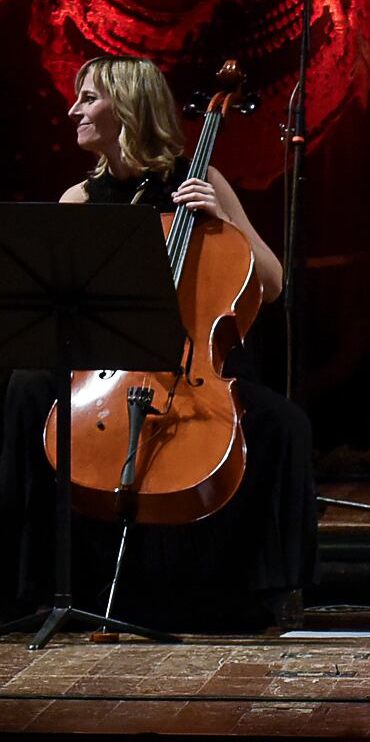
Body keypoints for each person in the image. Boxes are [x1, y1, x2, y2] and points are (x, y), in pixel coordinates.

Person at [0, 56, 315, 628]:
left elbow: (271, 285)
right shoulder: (80, 200)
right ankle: (26, 588)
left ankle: (271, 593)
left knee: (286, 424)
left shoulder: (199, 180)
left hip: (191, 366)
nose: (74, 110)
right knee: (25, 388)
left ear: (126, 107)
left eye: (88, 98)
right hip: (106, 366)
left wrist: (226, 220)